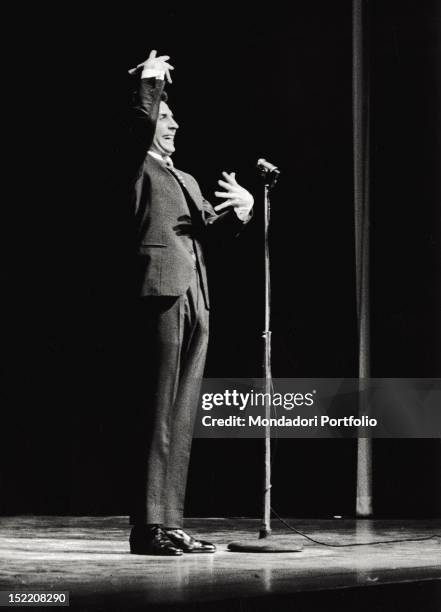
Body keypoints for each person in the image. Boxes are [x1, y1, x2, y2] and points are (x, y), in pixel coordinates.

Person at [127, 50, 254, 556]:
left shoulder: (186, 178)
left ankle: (169, 521)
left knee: (181, 415)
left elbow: (207, 229)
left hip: (196, 295)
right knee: (158, 412)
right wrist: (149, 83)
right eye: (166, 115)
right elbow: (134, 125)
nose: (174, 122)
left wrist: (242, 212)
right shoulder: (135, 162)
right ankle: (147, 526)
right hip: (160, 292)